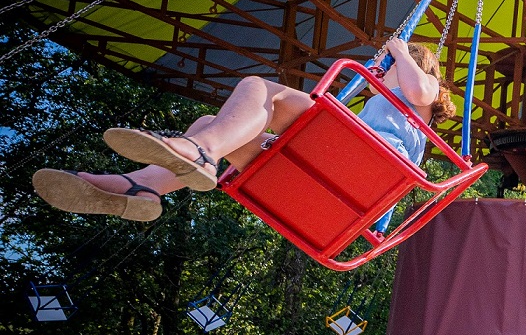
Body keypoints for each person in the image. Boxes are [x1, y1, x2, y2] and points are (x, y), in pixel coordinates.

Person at [32, 38, 450, 223]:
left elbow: (418, 85)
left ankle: (198, 152)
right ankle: (139, 187)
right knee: (205, 125)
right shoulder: (396, 109)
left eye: (388, 68)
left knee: (257, 88)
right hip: (333, 178)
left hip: (359, 162)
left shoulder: (422, 92)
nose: (381, 72)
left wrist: (399, 49)